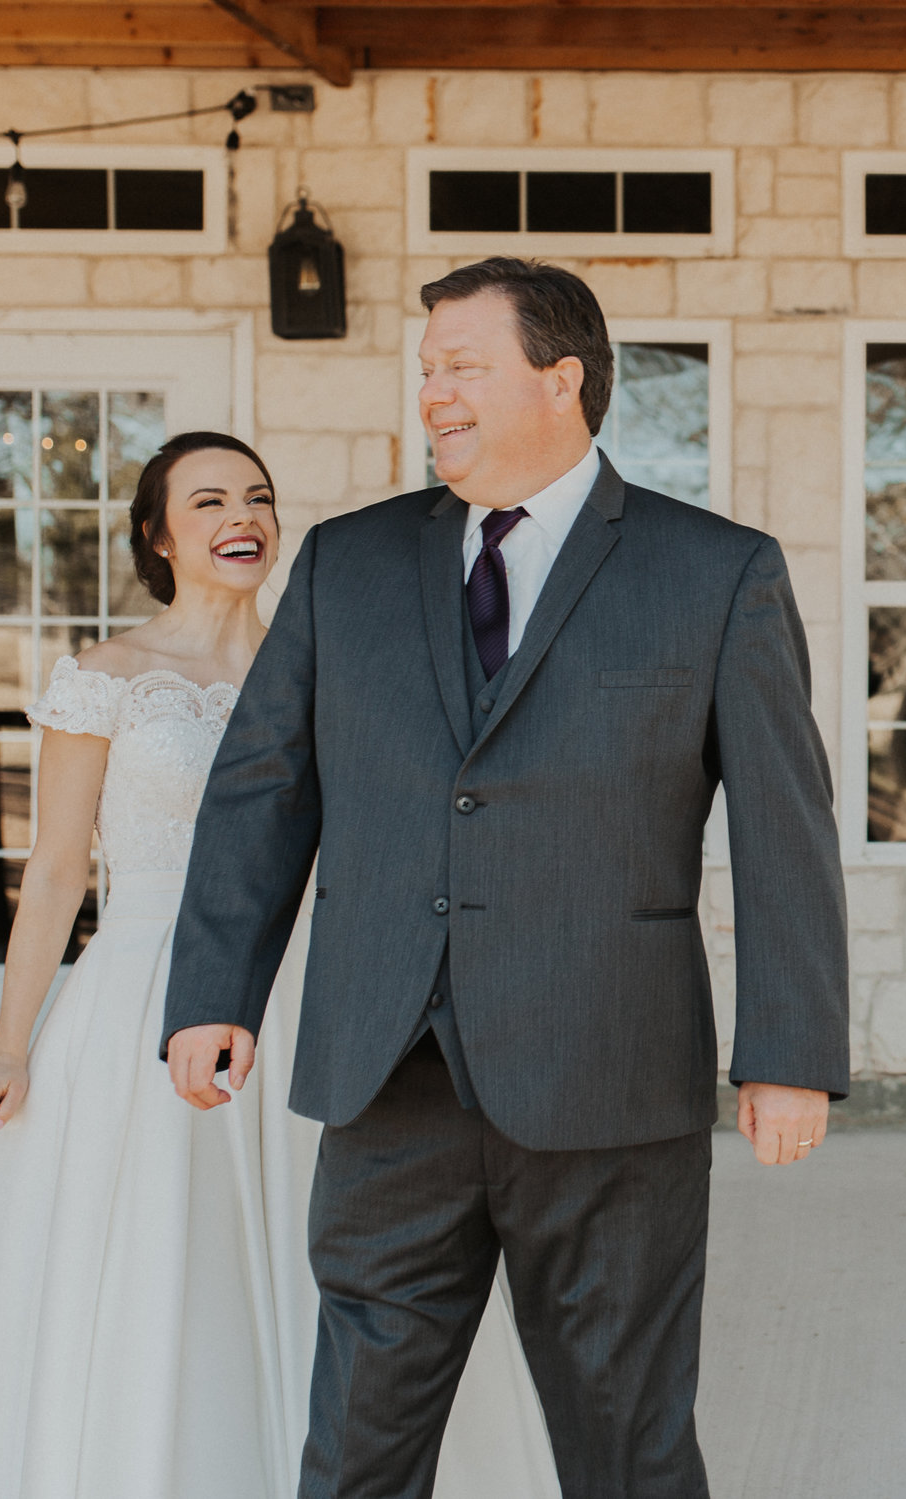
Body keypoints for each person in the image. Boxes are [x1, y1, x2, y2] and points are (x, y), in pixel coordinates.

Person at [161, 256, 849, 1499]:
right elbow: (263, 788)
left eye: (462, 365)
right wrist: (216, 986)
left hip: (609, 1076)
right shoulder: (345, 564)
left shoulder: (716, 572)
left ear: (562, 378)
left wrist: (787, 1049)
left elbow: (784, 825)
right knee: (358, 1437)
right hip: (389, 1074)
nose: (434, 392)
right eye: (427, 370)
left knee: (625, 1435)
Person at [0, 432, 549, 1498]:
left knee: (341, 1241)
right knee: (155, 1246)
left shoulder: (335, 666)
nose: (243, 516)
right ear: (159, 535)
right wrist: (9, 1045)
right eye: (209, 500)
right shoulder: (108, 676)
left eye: (259, 497)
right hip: (143, 995)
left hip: (310, 996)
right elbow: (53, 874)